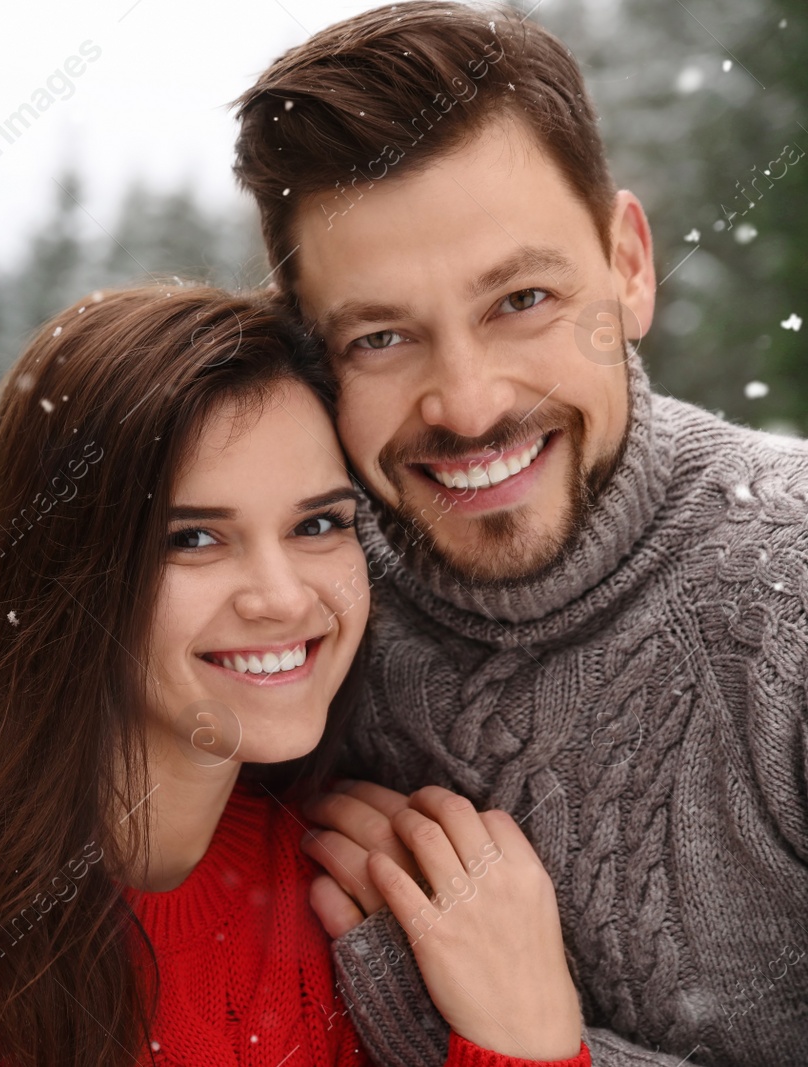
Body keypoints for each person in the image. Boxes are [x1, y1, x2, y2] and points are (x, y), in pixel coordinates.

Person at [0, 287, 592, 1065]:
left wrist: (524, 1027)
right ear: (64, 576)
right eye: (194, 538)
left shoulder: (353, 901)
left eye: (318, 524)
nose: (283, 598)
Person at [231, 4, 808, 1066]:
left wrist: (523, 1043)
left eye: (521, 298)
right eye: (382, 334)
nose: (464, 402)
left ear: (628, 264)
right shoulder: (284, 619)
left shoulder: (792, 601)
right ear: (315, 355)